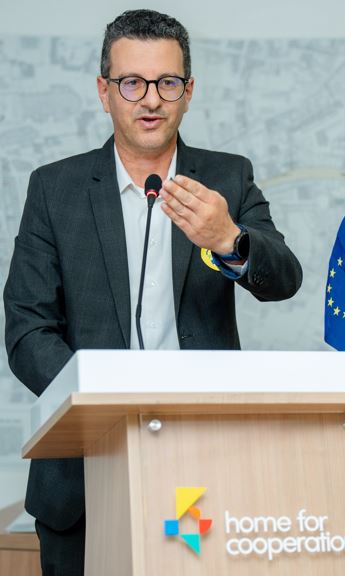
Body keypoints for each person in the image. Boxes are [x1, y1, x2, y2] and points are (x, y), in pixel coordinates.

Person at [3, 9, 302, 576]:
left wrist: (230, 239)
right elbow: (27, 329)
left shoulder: (227, 178)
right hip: (85, 471)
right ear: (104, 91)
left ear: (188, 91)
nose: (150, 100)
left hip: (204, 462)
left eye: (167, 82)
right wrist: (99, 405)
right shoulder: (54, 188)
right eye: (131, 83)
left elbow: (284, 279)